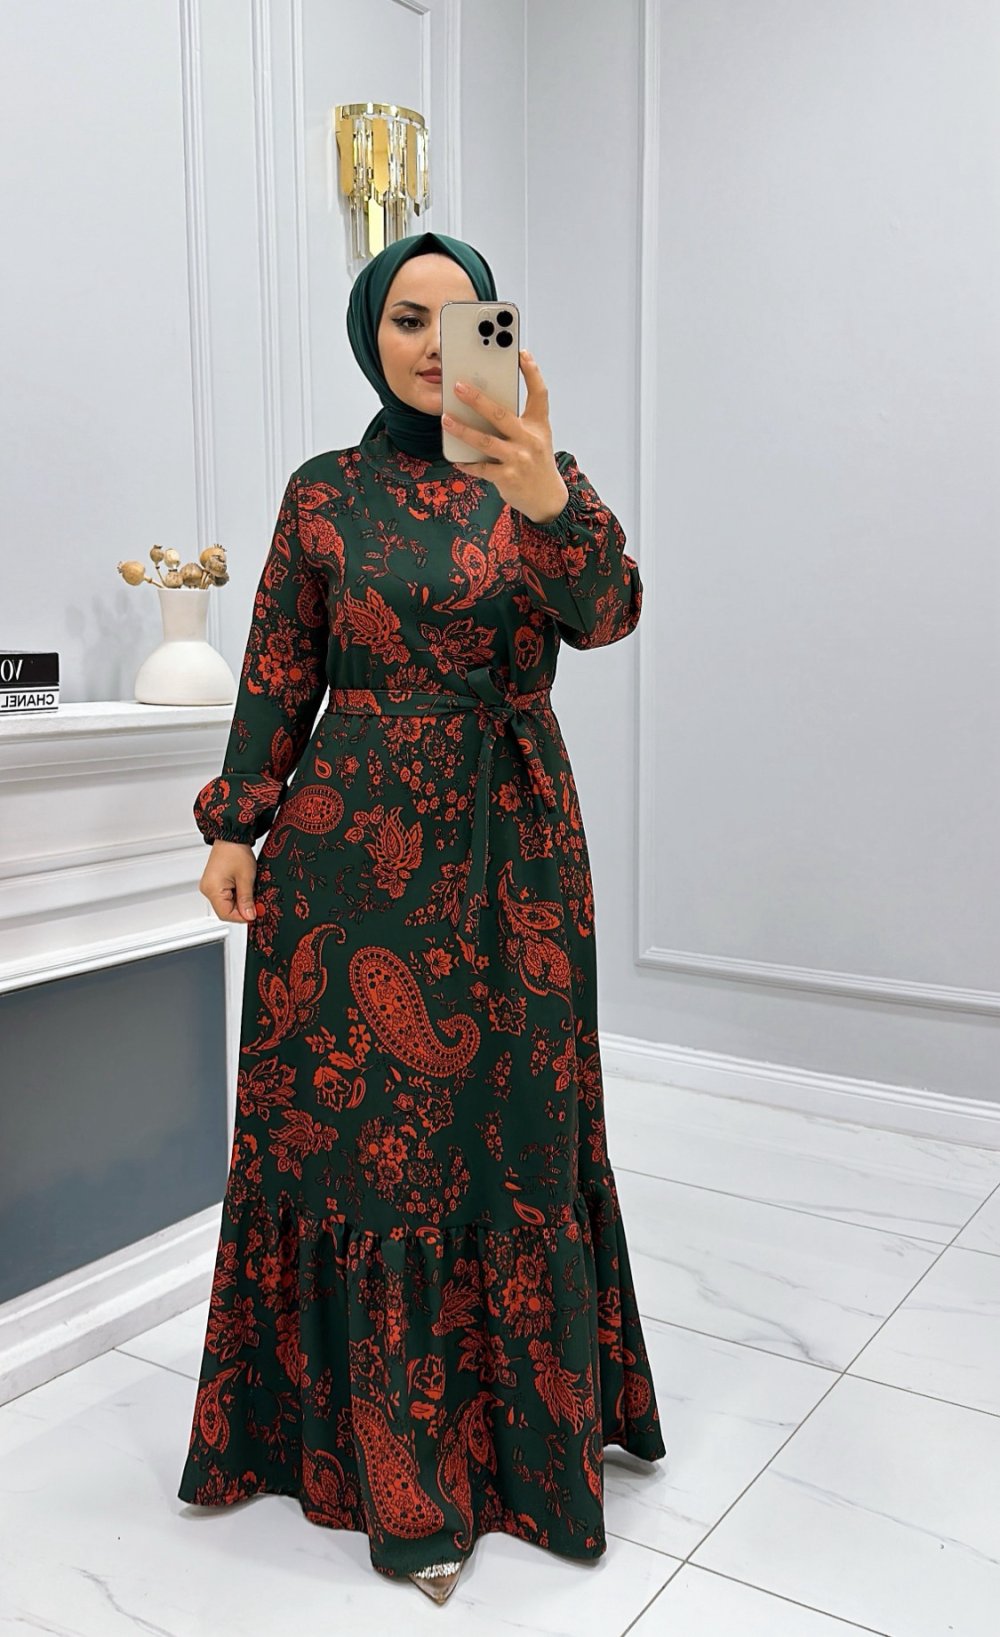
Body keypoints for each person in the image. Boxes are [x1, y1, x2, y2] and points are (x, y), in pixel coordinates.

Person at [176, 229, 667, 1604]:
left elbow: (610, 614)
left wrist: (545, 488)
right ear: (368, 332)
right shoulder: (322, 492)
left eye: (464, 320)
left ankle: (519, 1448)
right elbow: (280, 663)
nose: (436, 345)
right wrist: (236, 823)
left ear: (497, 334)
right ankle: (386, 1463)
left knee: (516, 1132)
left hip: (516, 854)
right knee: (368, 1153)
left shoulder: (535, 473)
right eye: (407, 318)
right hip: (348, 869)